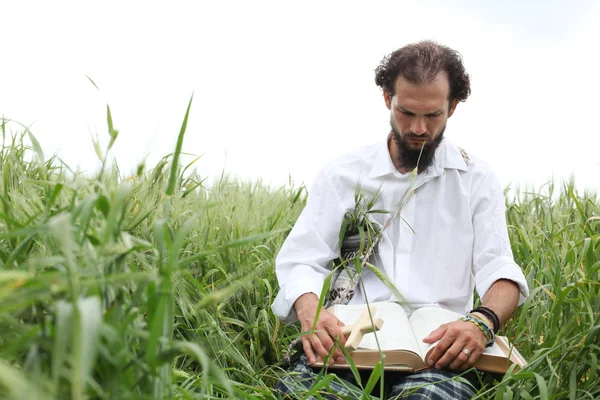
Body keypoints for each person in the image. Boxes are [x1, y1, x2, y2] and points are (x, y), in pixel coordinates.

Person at [271, 40, 529, 399]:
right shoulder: (343, 175)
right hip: (348, 346)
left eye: (433, 115)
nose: (419, 128)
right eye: (406, 112)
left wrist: (481, 322)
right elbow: (301, 259)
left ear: (453, 107)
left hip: (436, 356)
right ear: (386, 99)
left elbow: (499, 270)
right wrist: (312, 313)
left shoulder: (476, 179)